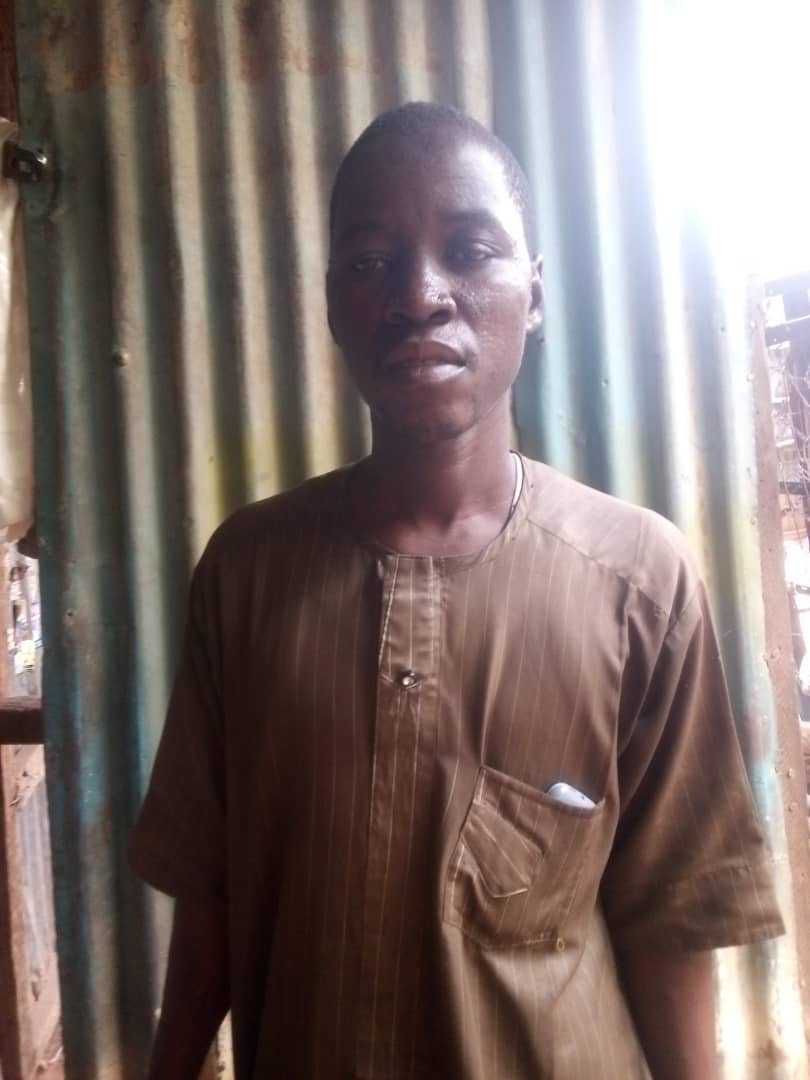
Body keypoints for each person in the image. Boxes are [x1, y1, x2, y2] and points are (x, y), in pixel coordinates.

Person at [130, 102, 784, 1079]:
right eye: (371, 262)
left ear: (534, 293)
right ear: (332, 306)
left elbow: (671, 921)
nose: (420, 295)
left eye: (471, 251)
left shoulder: (639, 583)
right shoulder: (247, 574)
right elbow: (212, 892)